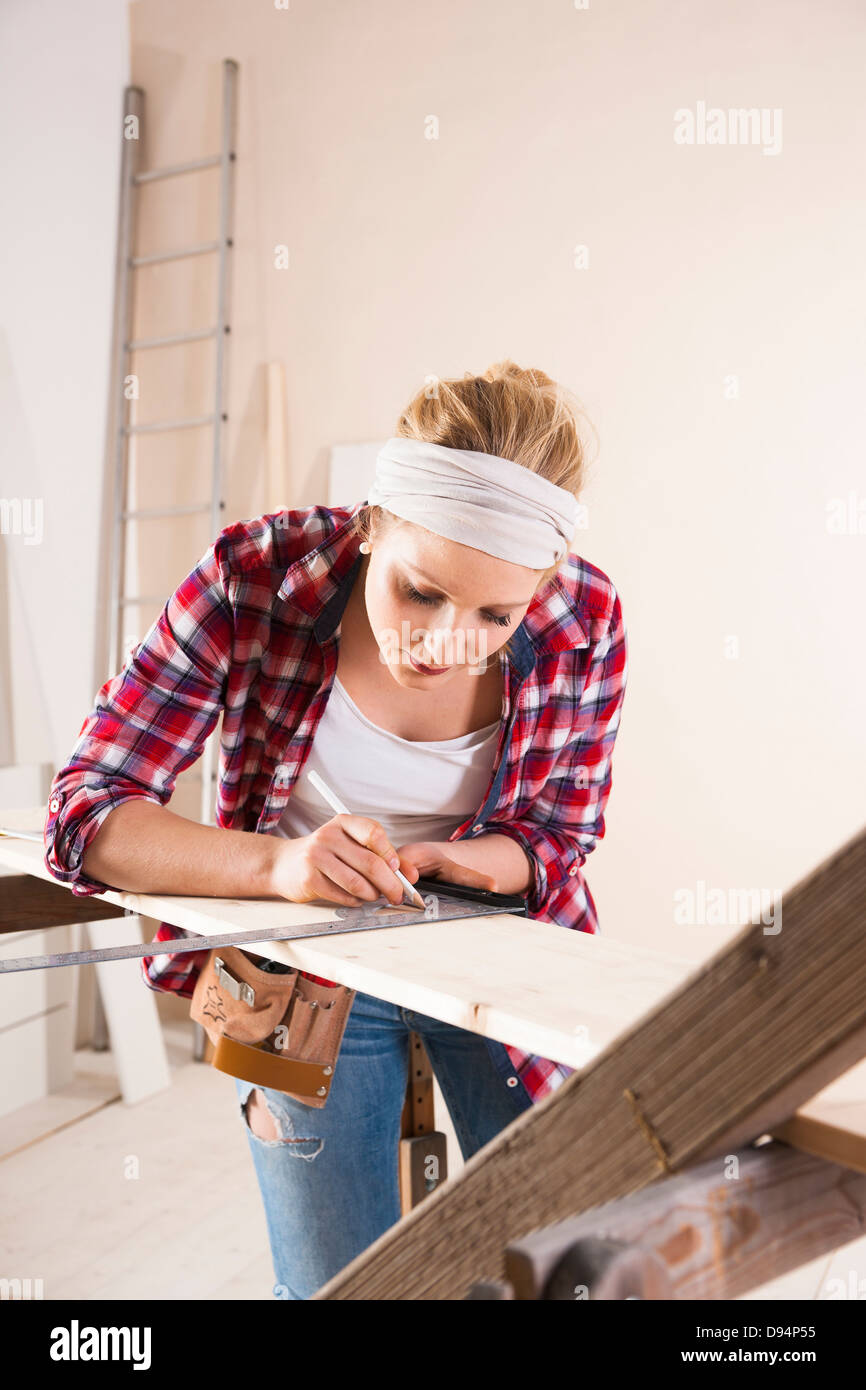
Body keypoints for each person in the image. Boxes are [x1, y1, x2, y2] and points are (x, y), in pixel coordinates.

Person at [43, 359, 628, 1299]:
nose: (447, 642)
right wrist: (283, 869)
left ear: (541, 590)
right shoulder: (251, 580)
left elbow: (560, 835)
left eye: (495, 615)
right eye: (421, 593)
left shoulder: (584, 618)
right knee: (340, 1287)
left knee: (580, 1262)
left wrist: (460, 861)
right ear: (369, 528)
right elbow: (86, 815)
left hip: (500, 952)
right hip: (300, 968)